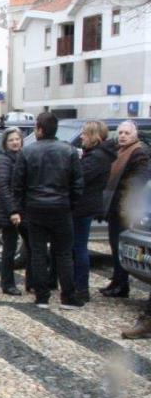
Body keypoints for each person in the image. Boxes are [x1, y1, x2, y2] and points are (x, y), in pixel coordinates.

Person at [10, 112, 83, 309]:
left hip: (36, 208)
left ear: (40, 130)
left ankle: (42, 296)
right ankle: (68, 296)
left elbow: (18, 184)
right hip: (61, 207)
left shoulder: (27, 152)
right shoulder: (69, 151)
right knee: (64, 253)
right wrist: (70, 203)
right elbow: (77, 183)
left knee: (38, 252)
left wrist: (20, 208)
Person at [101, 120, 150, 299]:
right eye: (120, 133)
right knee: (115, 245)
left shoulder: (139, 152)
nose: (122, 136)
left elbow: (139, 180)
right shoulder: (120, 150)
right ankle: (117, 281)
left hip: (125, 208)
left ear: (135, 135)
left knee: (121, 246)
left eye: (126, 133)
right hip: (115, 207)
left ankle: (121, 285)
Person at [73, 121, 114, 303]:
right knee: (77, 246)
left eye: (84, 133)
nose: (82, 136)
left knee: (79, 247)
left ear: (93, 136)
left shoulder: (97, 157)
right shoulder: (96, 154)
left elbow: (80, 177)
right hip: (85, 205)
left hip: (84, 206)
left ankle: (81, 288)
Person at [0, 127, 30, 295]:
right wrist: (13, 211)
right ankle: (7, 284)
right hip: (9, 211)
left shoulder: (23, 157)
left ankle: (32, 281)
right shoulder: (3, 161)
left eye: (17, 139)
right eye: (11, 140)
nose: (15, 142)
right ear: (5, 143)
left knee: (32, 246)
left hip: (24, 210)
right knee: (10, 249)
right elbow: (3, 188)